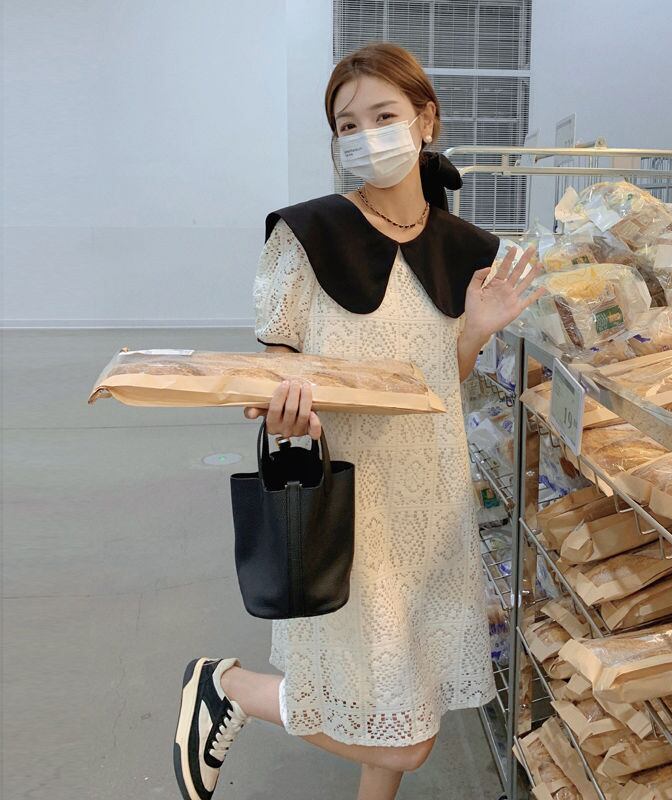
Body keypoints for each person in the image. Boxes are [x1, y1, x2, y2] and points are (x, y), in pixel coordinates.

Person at [173, 42, 540, 800]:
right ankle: (227, 687)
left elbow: (440, 384)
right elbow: (277, 363)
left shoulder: (464, 250)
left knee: (405, 695)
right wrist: (286, 409)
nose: (366, 135)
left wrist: (472, 332)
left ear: (425, 120)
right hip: (346, 498)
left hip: (432, 501)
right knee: (406, 737)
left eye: (383, 115)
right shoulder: (308, 235)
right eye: (348, 124)